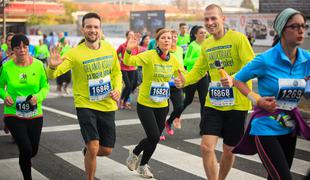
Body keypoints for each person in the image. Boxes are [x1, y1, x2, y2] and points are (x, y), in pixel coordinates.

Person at [175, 4, 255, 180]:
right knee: (206, 147)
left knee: (229, 149)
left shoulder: (238, 39)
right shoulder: (206, 44)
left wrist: (233, 78)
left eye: (213, 18)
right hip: (214, 103)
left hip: (237, 104)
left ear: (223, 19)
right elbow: (198, 70)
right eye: (206, 19)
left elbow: (251, 65)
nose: (210, 22)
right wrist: (184, 80)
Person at [232, 8, 310, 180]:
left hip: (289, 126)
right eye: (295, 26)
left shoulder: (307, 59)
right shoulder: (265, 59)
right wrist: (257, 100)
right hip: (266, 126)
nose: (301, 31)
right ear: (282, 29)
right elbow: (238, 80)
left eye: (303, 26)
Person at [46, 12, 122, 180]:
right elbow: (53, 74)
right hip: (85, 104)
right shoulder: (74, 53)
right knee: (94, 146)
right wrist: (51, 67)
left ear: (100, 30)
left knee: (107, 150)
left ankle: (88, 151)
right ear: (82, 30)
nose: (92, 30)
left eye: (96, 27)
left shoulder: (109, 48)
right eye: (89, 27)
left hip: (107, 104)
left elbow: (117, 73)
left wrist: (117, 89)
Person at [124, 29, 184, 178]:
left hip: (162, 104)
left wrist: (180, 81)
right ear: (157, 41)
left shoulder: (174, 59)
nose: (166, 40)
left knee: (155, 138)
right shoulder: (149, 55)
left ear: (172, 41)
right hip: (145, 103)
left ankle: (143, 165)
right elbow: (128, 61)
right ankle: (135, 152)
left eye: (169, 38)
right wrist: (129, 50)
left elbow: (182, 76)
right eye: (163, 38)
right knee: (153, 136)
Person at [0, 34, 49, 180]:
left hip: (35, 114)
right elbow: (0, 86)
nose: (22, 50)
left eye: (25, 46)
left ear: (29, 47)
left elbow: (45, 87)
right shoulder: (7, 67)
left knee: (32, 150)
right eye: (18, 47)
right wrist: (4, 96)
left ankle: (25, 160)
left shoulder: (39, 65)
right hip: (13, 113)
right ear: (13, 50)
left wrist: (38, 97)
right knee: (26, 149)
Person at [170, 25, 209, 131]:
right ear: (195, 34)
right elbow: (186, 61)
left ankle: (203, 128)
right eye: (201, 33)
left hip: (203, 76)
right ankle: (172, 119)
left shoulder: (207, 45)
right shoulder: (192, 45)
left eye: (205, 33)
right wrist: (200, 60)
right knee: (187, 101)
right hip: (192, 76)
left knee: (204, 102)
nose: (204, 34)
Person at [162, 29, 185, 139]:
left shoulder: (180, 49)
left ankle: (169, 122)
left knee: (180, 107)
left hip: (176, 83)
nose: (174, 38)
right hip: (164, 84)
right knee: (163, 110)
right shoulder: (164, 50)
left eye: (176, 36)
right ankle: (159, 130)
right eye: (172, 36)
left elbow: (182, 65)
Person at [117, 30, 139, 109]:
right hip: (124, 68)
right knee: (128, 85)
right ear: (126, 36)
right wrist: (121, 59)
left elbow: (136, 56)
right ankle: (121, 100)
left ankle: (125, 101)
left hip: (132, 68)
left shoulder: (135, 46)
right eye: (130, 35)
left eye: (133, 35)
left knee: (132, 86)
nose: (131, 37)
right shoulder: (122, 45)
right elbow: (116, 53)